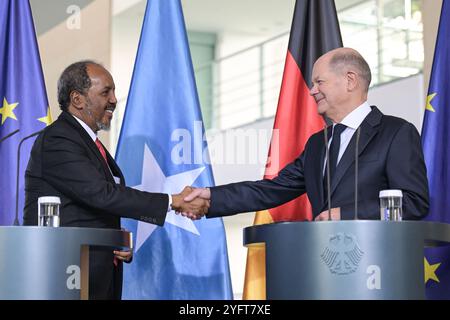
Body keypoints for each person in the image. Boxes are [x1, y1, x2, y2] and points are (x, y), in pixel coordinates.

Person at [23, 61, 208, 300]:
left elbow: (92, 205)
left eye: (113, 92)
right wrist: (174, 201)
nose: (114, 99)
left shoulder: (89, 142)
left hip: (95, 274)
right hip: (66, 275)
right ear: (77, 99)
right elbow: (101, 194)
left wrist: (115, 239)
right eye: (105, 92)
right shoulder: (59, 139)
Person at [181, 47, 429, 221]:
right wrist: (211, 196)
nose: (312, 91)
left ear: (350, 80)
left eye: (319, 82)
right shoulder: (317, 144)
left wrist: (347, 214)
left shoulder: (396, 132)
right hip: (323, 267)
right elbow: (271, 190)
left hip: (379, 270)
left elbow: (414, 202)